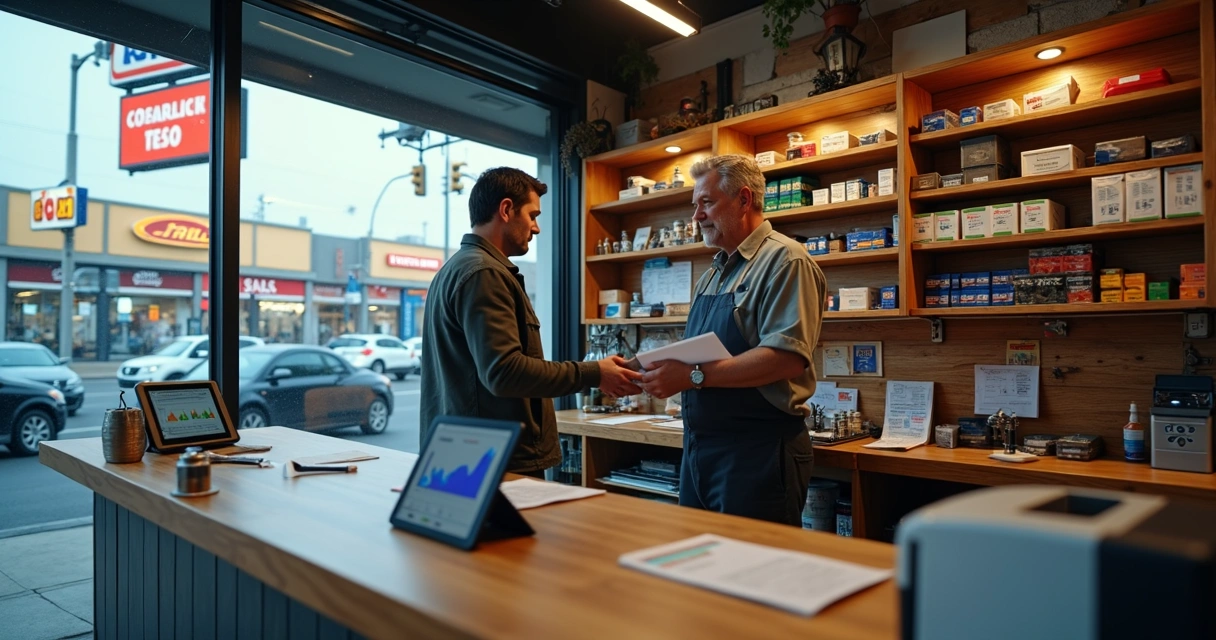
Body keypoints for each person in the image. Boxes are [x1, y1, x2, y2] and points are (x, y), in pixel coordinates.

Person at [638, 154, 826, 526]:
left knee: (752, 560)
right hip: (700, 450)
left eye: (706, 203)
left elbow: (786, 358)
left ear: (743, 199)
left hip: (758, 454)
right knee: (700, 556)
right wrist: (646, 371)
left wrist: (691, 376)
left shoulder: (786, 260)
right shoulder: (712, 273)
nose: (696, 216)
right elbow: (698, 353)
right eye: (695, 206)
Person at [420, 167, 643, 476]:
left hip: (463, 453)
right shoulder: (485, 273)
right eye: (532, 215)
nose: (536, 228)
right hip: (493, 459)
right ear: (506, 209)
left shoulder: (455, 270)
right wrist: (594, 372)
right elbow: (504, 372)